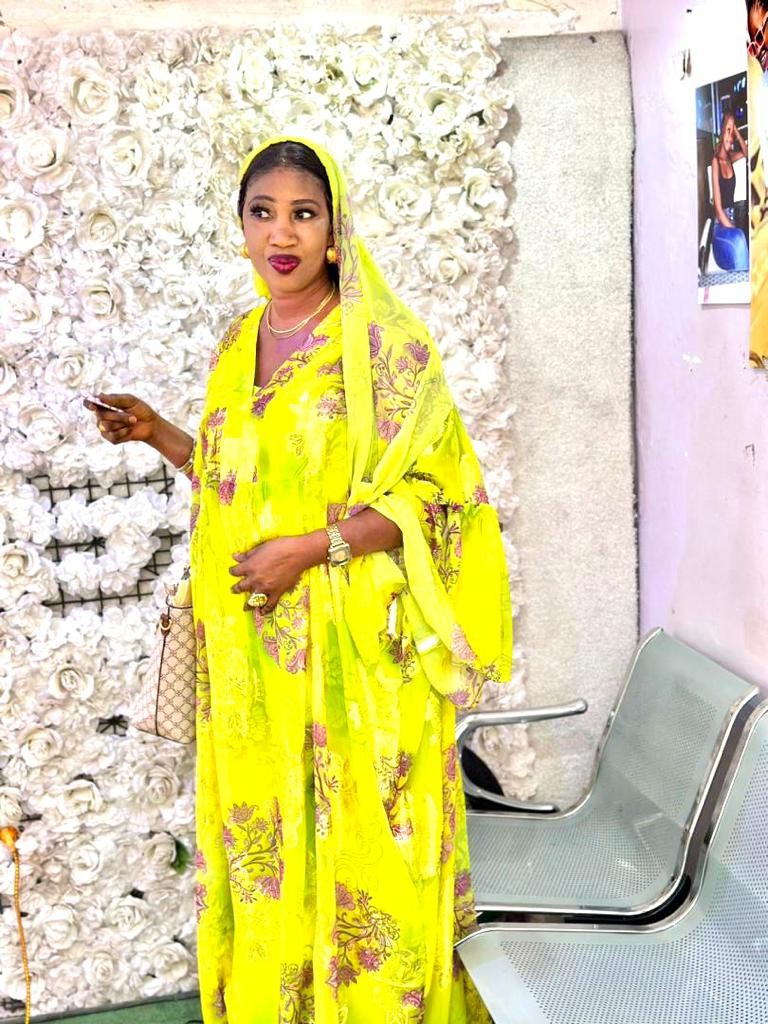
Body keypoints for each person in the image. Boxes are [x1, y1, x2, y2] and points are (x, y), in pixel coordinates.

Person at [85, 135, 512, 1024]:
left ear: (334, 228)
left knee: (372, 862)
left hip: (360, 664)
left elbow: (440, 495)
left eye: (303, 214)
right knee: (270, 856)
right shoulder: (238, 342)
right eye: (263, 213)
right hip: (253, 666)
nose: (282, 234)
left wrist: (313, 550)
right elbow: (234, 482)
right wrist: (159, 433)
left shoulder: (387, 348)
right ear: (241, 226)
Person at [710, 111, 749, 271]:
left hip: (731, 222)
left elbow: (747, 153)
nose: (730, 136)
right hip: (721, 228)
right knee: (740, 239)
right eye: (728, 130)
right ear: (721, 131)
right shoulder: (716, 162)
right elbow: (719, 211)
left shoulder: (730, 158)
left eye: (732, 131)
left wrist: (736, 133)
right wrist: (734, 230)